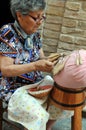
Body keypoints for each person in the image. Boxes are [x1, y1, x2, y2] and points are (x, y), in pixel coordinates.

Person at [0, 0, 73, 130]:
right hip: (13, 87)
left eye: (42, 17)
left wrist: (55, 61)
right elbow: (5, 70)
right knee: (37, 115)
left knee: (65, 97)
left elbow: (41, 58)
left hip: (36, 82)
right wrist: (35, 66)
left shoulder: (35, 34)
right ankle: (36, 124)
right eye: (35, 18)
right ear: (19, 15)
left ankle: (46, 127)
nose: (40, 22)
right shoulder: (7, 33)